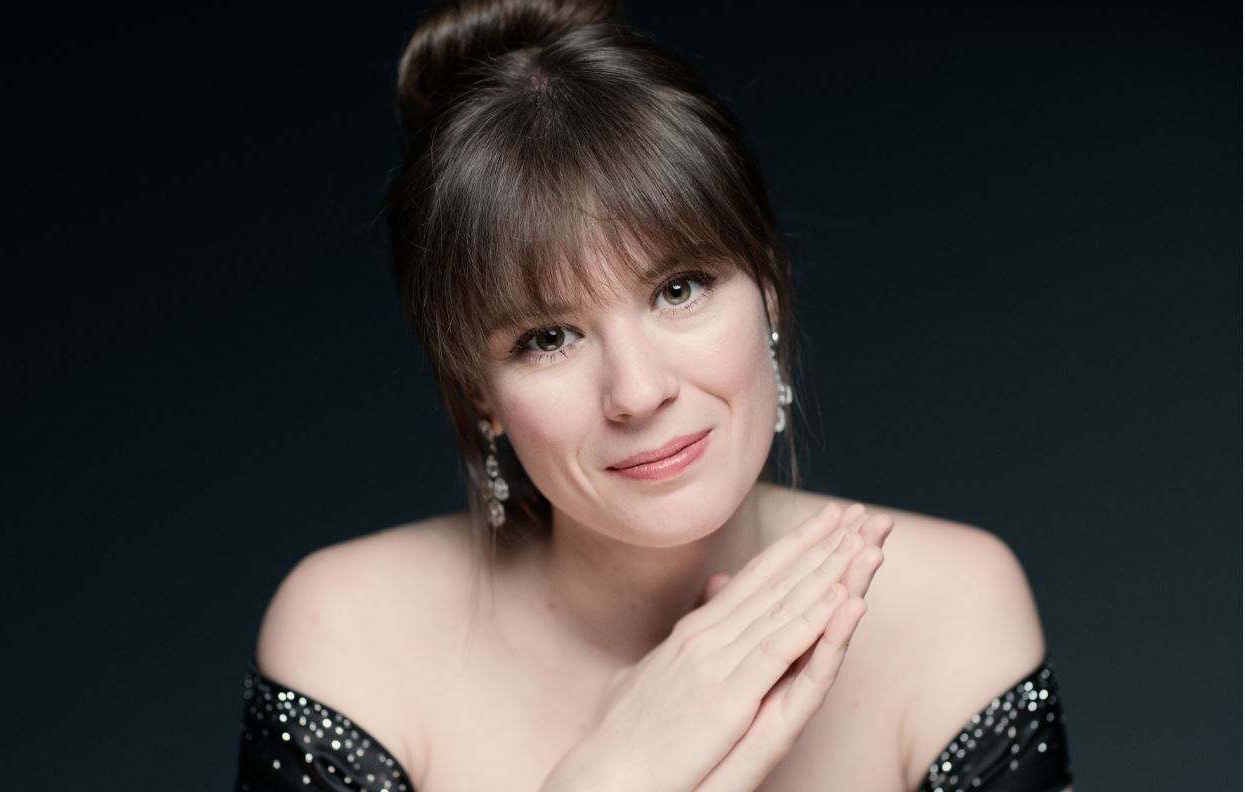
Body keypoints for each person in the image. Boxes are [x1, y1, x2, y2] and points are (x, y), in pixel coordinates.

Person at [232, 1, 1074, 790]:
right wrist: (616, 772)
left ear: (768, 291)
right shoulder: (350, 640)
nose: (637, 391)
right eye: (547, 338)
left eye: (679, 290)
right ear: (477, 393)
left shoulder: (950, 613)